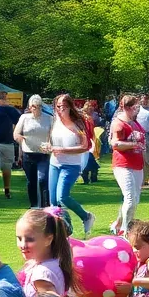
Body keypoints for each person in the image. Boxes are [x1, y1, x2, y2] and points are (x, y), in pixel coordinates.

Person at [48, 95, 97, 237]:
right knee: (53, 202)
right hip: (54, 163)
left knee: (62, 197)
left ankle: (86, 216)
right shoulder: (55, 121)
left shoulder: (78, 123)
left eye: (64, 106)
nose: (60, 109)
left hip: (71, 165)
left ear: (70, 107)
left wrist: (62, 150)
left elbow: (85, 146)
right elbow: (53, 141)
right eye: (58, 106)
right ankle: (60, 232)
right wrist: (49, 147)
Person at [109, 95, 146, 237]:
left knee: (134, 199)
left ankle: (118, 223)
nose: (138, 110)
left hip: (137, 164)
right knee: (130, 199)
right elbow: (115, 144)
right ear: (128, 108)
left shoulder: (134, 122)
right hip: (123, 165)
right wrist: (133, 144)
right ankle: (125, 229)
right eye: (136, 107)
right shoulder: (119, 123)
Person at [14, 95, 53, 208]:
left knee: (42, 179)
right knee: (31, 181)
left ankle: (46, 205)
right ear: (30, 107)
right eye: (34, 106)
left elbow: (51, 135)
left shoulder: (49, 118)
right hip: (28, 153)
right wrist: (20, 138)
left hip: (43, 154)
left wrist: (50, 143)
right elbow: (16, 133)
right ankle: (34, 205)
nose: (36, 109)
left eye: (39, 106)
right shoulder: (24, 118)